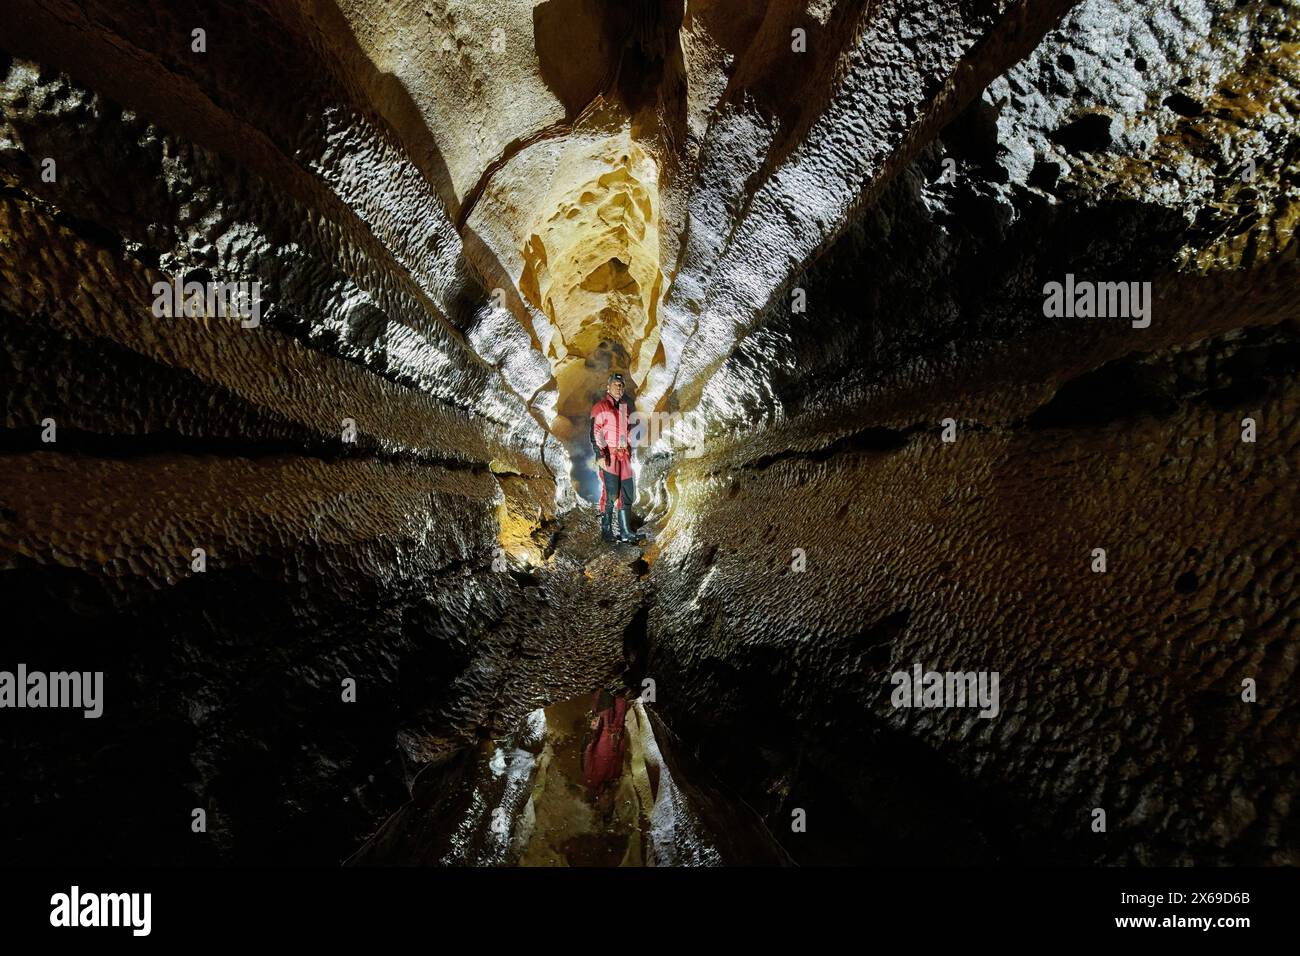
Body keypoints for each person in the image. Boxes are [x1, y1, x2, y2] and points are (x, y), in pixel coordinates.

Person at [590, 372, 639, 544]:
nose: (619, 387)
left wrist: (630, 452)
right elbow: (594, 432)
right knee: (610, 493)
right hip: (609, 455)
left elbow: (626, 432)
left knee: (626, 492)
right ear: (608, 387)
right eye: (616, 384)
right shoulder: (600, 407)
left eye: (621, 385)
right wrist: (599, 455)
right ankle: (606, 531)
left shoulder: (625, 408)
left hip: (623, 455)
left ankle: (625, 531)